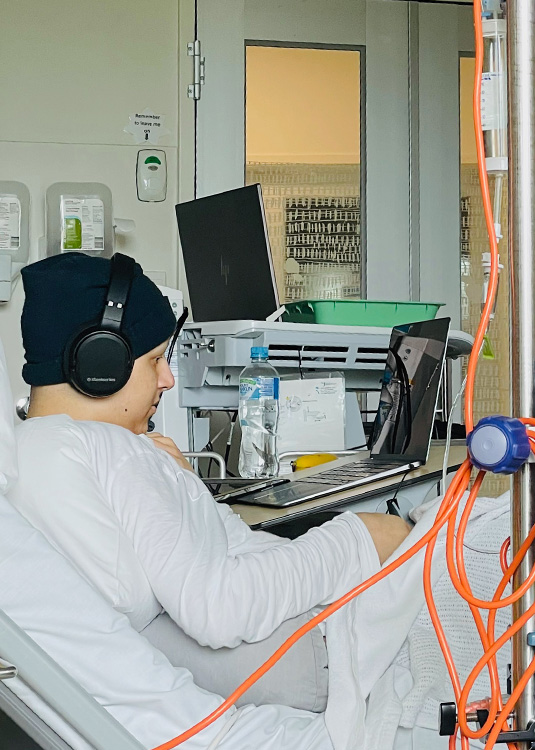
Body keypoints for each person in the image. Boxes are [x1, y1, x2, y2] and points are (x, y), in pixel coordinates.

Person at [6, 251, 411, 709]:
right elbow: (219, 604)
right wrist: (358, 538)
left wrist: (183, 489)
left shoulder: (35, 447)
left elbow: (215, 553)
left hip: (295, 652)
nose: (167, 380)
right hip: (317, 656)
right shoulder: (111, 450)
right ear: (100, 362)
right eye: (155, 359)